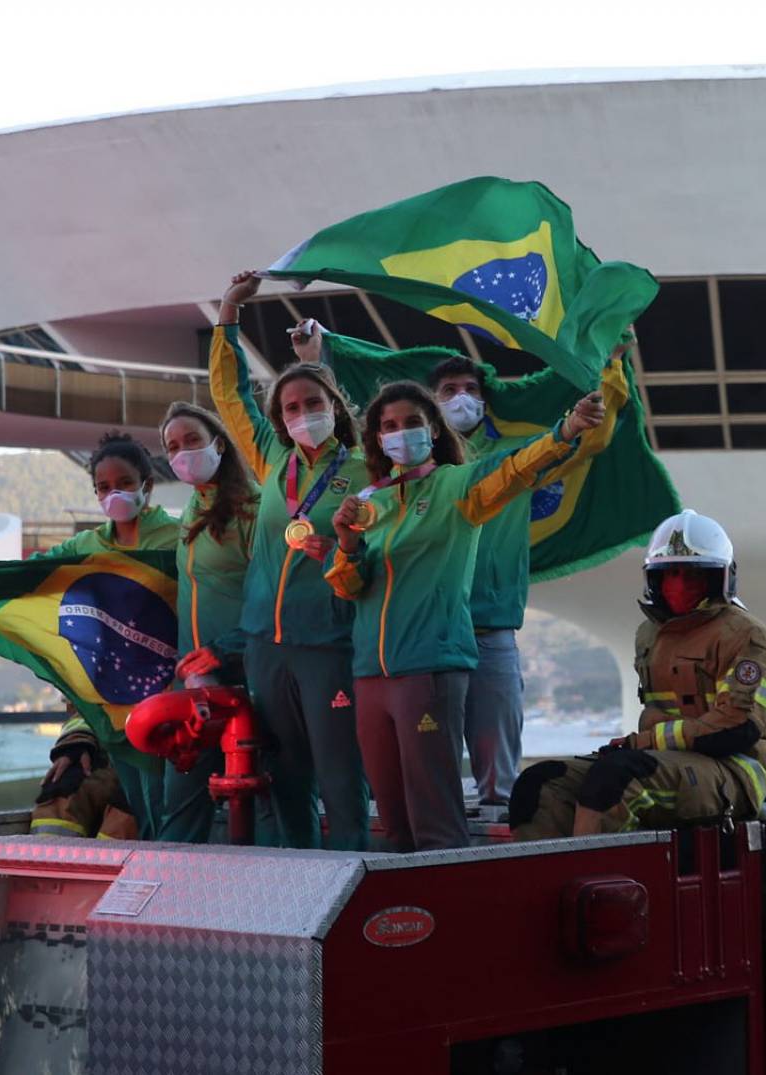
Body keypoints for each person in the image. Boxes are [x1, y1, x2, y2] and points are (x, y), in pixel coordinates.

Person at [294, 321, 633, 808]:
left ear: (431, 425)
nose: (461, 399)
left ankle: (495, 852)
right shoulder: (383, 491)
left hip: (487, 629)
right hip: (419, 646)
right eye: (449, 391)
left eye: (470, 390)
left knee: (496, 774)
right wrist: (337, 548)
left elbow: (585, 441)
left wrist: (610, 367)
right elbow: (370, 562)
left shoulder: (502, 465)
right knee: (423, 779)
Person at [324, 380, 605, 851]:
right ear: (375, 439)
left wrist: (564, 432)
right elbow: (350, 587)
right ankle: (400, 917)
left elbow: (513, 470)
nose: (399, 433)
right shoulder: (371, 501)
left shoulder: (458, 486)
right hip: (371, 674)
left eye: (411, 422)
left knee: (434, 817)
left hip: (430, 669)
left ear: (433, 429)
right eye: (388, 426)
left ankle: (445, 913)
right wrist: (347, 542)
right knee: (392, 821)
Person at [211, 271, 371, 850]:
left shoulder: (364, 470)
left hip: (330, 644)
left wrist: (337, 550)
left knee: (340, 776)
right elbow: (229, 398)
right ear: (280, 418)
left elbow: (380, 551)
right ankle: (300, 886)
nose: (303, 412)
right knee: (285, 781)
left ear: (334, 405)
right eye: (292, 406)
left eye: (313, 402)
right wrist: (230, 310)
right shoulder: (273, 460)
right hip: (265, 646)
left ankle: (353, 882)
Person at [510, 510, 766, 839]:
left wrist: (642, 743)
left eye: (692, 575)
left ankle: (600, 882)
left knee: (617, 780)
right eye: (670, 575)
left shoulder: (748, 637)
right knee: (541, 783)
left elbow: (737, 728)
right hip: (661, 762)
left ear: (721, 579)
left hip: (730, 770)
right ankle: (547, 882)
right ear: (654, 579)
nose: (679, 585)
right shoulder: (650, 634)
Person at [34, 431, 182, 831]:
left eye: (125, 484)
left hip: (169, 705)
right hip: (110, 710)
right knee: (88, 801)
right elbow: (27, 575)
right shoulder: (87, 546)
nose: (113, 494)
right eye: (103, 487)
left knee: (146, 814)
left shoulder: (180, 538)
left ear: (147, 486)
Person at [155, 402, 259, 843]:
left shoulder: (254, 508)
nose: (182, 453)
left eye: (192, 440)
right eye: (172, 446)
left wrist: (225, 648)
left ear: (219, 443)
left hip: (247, 678)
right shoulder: (190, 512)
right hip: (193, 685)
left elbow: (274, 598)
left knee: (260, 800)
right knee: (179, 806)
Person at [30, 716, 138, 841]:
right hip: (112, 759)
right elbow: (85, 713)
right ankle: (45, 854)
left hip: (155, 764)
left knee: (129, 810)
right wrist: (77, 742)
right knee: (64, 788)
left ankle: (109, 857)